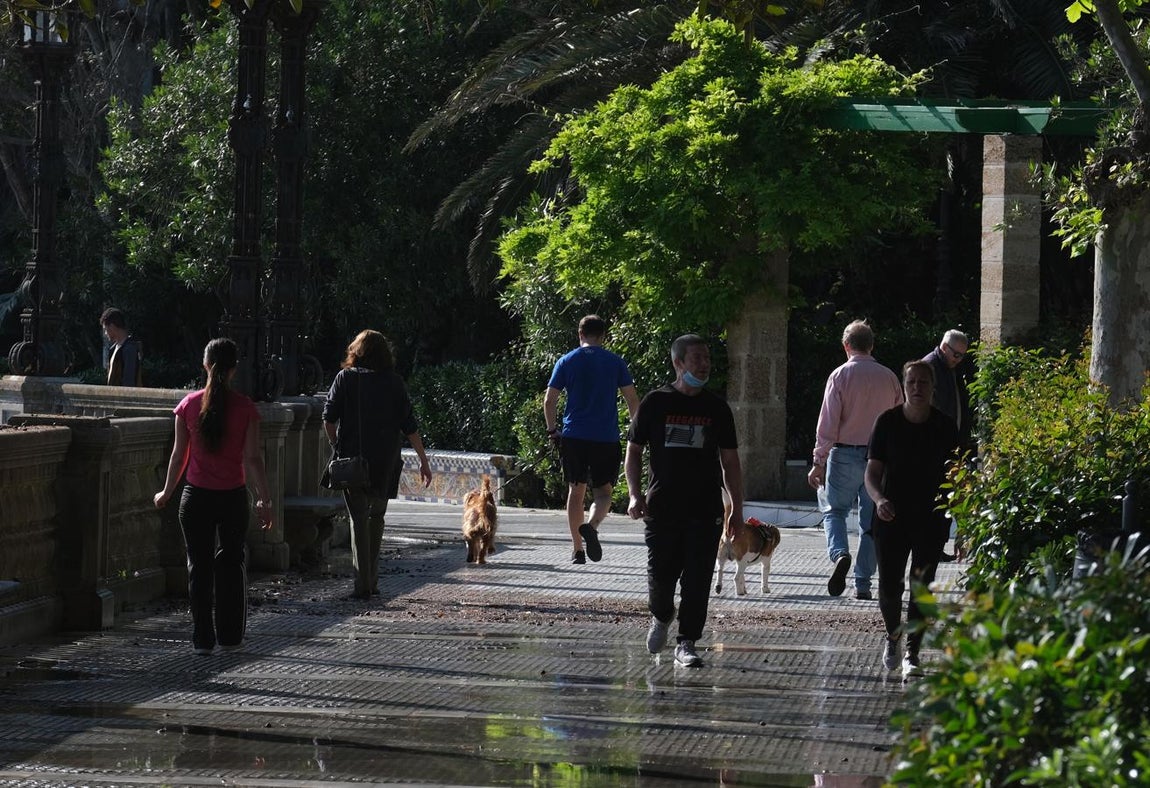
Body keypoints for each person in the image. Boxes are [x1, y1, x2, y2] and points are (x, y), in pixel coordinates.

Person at [625, 334, 742, 668]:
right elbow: (633, 452)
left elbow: (731, 462)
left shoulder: (717, 408)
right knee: (661, 579)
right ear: (678, 363)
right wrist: (634, 494)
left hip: (705, 510)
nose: (704, 365)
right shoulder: (655, 403)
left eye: (707, 358)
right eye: (696, 359)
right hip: (662, 508)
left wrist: (737, 507)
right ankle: (662, 616)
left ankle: (687, 641)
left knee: (698, 579)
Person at [154, 338, 274, 656]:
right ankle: (230, 637)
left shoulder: (188, 405)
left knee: (199, 567)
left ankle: (202, 639)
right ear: (234, 370)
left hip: (195, 498)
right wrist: (264, 498)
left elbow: (179, 456)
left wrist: (166, 491)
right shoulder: (246, 408)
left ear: (205, 365)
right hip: (232, 497)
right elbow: (252, 459)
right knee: (232, 564)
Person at [864, 360, 959, 680]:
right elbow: (872, 473)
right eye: (911, 382)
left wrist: (961, 520)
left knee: (922, 587)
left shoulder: (946, 428)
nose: (917, 388)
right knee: (890, 588)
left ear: (933, 388)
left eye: (923, 382)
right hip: (891, 516)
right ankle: (893, 635)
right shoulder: (886, 423)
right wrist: (879, 500)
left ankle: (912, 653)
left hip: (931, 519)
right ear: (903, 388)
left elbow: (958, 477)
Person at [323, 330, 433, 599]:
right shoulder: (394, 382)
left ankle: (363, 583)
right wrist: (423, 460)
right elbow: (410, 426)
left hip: (354, 462)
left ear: (356, 351)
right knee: (377, 518)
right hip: (386, 462)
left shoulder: (345, 379)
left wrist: (337, 447)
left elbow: (328, 419)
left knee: (358, 519)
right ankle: (371, 579)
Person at [807, 320, 903, 600]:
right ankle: (863, 584)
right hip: (879, 458)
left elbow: (828, 422)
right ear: (872, 345)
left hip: (844, 453)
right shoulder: (889, 377)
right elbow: (897, 421)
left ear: (845, 346)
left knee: (834, 510)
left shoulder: (839, 376)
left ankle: (839, 554)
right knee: (872, 522)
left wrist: (818, 460)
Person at [544, 315, 640, 564]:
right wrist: (635, 431)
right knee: (604, 492)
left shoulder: (566, 361)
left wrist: (553, 430)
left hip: (574, 436)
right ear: (603, 336)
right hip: (605, 438)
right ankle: (593, 527)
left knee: (575, 492)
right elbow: (632, 400)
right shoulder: (616, 362)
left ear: (580, 334)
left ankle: (577, 550)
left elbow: (549, 400)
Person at [922, 329, 971, 562]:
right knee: (937, 498)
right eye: (956, 355)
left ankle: (937, 545)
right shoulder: (930, 368)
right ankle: (932, 545)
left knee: (947, 497)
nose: (959, 359)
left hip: (951, 447)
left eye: (962, 356)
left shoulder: (951, 368)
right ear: (944, 348)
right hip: (934, 447)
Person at [100, 307, 143, 386]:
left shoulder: (130, 349)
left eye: (106, 329)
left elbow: (129, 381)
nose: (105, 334)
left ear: (112, 326)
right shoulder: (113, 349)